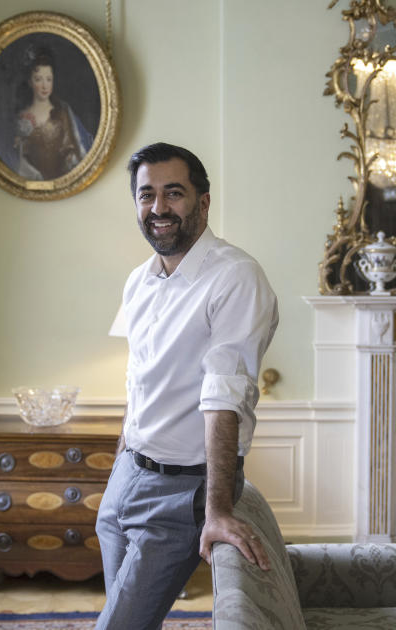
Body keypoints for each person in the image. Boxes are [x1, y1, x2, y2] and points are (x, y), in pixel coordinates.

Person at [95, 143, 279, 629]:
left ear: (203, 201)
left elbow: (224, 398)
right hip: (126, 479)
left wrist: (216, 510)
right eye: (146, 194)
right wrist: (122, 457)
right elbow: (141, 377)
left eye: (173, 193)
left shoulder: (236, 277)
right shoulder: (139, 281)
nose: (158, 208)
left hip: (182, 491)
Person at [11, 45, 93, 180]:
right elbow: (18, 160)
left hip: (65, 182)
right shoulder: (21, 117)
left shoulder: (63, 111)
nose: (44, 85)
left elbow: (74, 151)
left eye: (49, 79)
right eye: (38, 79)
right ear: (30, 82)